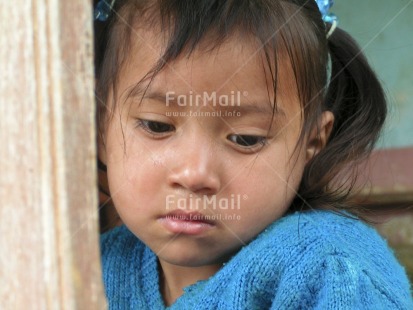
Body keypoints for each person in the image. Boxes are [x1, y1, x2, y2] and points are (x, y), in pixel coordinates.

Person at [95, 0, 413, 308]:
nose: (195, 174)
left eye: (246, 139)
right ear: (100, 129)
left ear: (311, 145)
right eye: (157, 126)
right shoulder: (90, 271)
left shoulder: (328, 272)